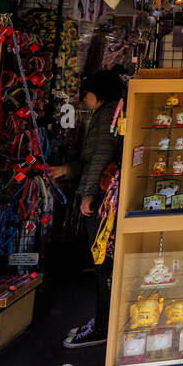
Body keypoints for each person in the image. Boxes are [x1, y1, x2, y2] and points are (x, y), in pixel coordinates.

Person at [55, 69, 126, 349]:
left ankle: (103, 325)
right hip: (104, 196)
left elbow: (99, 157)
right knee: (104, 264)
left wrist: (88, 195)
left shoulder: (108, 115)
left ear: (97, 93)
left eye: (84, 94)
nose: (83, 100)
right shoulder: (111, 112)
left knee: (103, 264)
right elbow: (92, 159)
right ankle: (101, 321)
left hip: (103, 200)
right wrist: (68, 170)